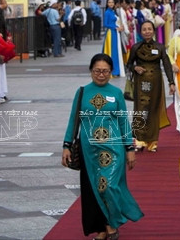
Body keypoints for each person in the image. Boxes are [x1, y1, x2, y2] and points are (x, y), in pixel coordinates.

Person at [62, 54, 143, 239]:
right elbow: (73, 120)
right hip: (89, 151)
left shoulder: (115, 93)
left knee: (109, 186)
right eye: (97, 71)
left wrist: (130, 149)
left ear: (111, 72)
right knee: (93, 189)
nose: (101, 75)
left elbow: (124, 122)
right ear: (91, 71)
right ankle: (103, 228)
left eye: (105, 71)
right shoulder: (82, 92)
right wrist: (66, 145)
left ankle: (112, 224)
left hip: (114, 150)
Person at [126, 21, 176, 152]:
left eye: (149, 29)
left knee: (153, 109)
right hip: (140, 83)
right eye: (144, 29)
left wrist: (171, 82)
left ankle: (152, 142)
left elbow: (167, 65)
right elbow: (129, 64)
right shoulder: (136, 47)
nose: (147, 31)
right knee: (140, 110)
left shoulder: (159, 47)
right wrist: (135, 68)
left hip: (156, 82)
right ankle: (139, 140)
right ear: (140, 32)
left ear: (153, 31)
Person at [102, 0, 124, 77]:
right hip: (110, 33)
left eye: (112, 2)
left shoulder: (113, 12)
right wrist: (115, 27)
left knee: (116, 51)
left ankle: (116, 70)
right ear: (107, 4)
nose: (111, 4)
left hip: (115, 33)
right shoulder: (107, 12)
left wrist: (119, 27)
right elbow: (105, 24)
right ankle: (112, 70)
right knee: (112, 51)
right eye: (109, 2)